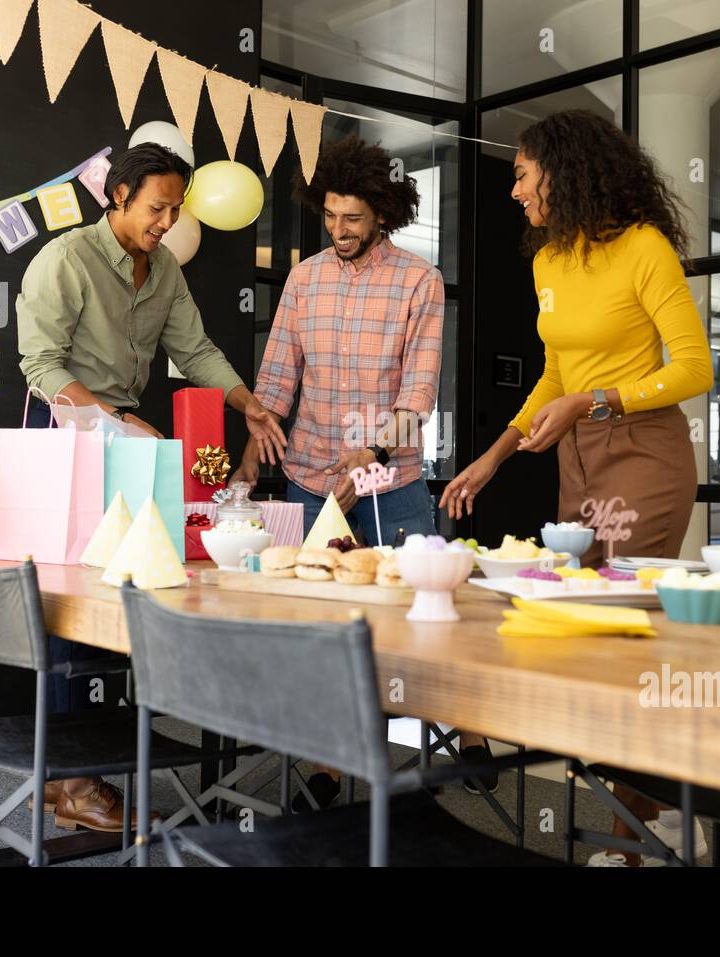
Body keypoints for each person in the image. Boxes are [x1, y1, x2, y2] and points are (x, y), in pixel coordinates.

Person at [439, 110, 714, 864]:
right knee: (588, 635)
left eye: (523, 174)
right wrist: (494, 455)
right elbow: (556, 376)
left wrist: (598, 402)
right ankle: (660, 800)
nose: (514, 191)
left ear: (565, 171)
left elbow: (695, 368)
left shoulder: (644, 249)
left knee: (623, 634)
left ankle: (630, 838)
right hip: (576, 457)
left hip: (645, 453)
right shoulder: (549, 262)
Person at [16, 143, 286, 832]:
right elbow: (40, 363)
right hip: (68, 439)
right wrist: (109, 416)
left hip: (127, 450)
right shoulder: (66, 259)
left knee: (114, 602)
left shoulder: (163, 270)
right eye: (156, 208)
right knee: (73, 608)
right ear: (118, 196)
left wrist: (245, 402)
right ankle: (74, 780)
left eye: (175, 209)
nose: (167, 222)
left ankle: (66, 774)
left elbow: (193, 349)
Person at [231, 136, 479, 809]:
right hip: (312, 485)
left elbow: (417, 399)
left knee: (413, 627)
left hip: (390, 489)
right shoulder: (304, 279)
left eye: (354, 220)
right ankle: (328, 767)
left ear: (383, 216)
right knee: (323, 633)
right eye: (331, 217)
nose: (340, 231)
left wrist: (370, 452)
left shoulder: (419, 282)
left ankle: (464, 729)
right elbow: (278, 378)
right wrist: (254, 453)